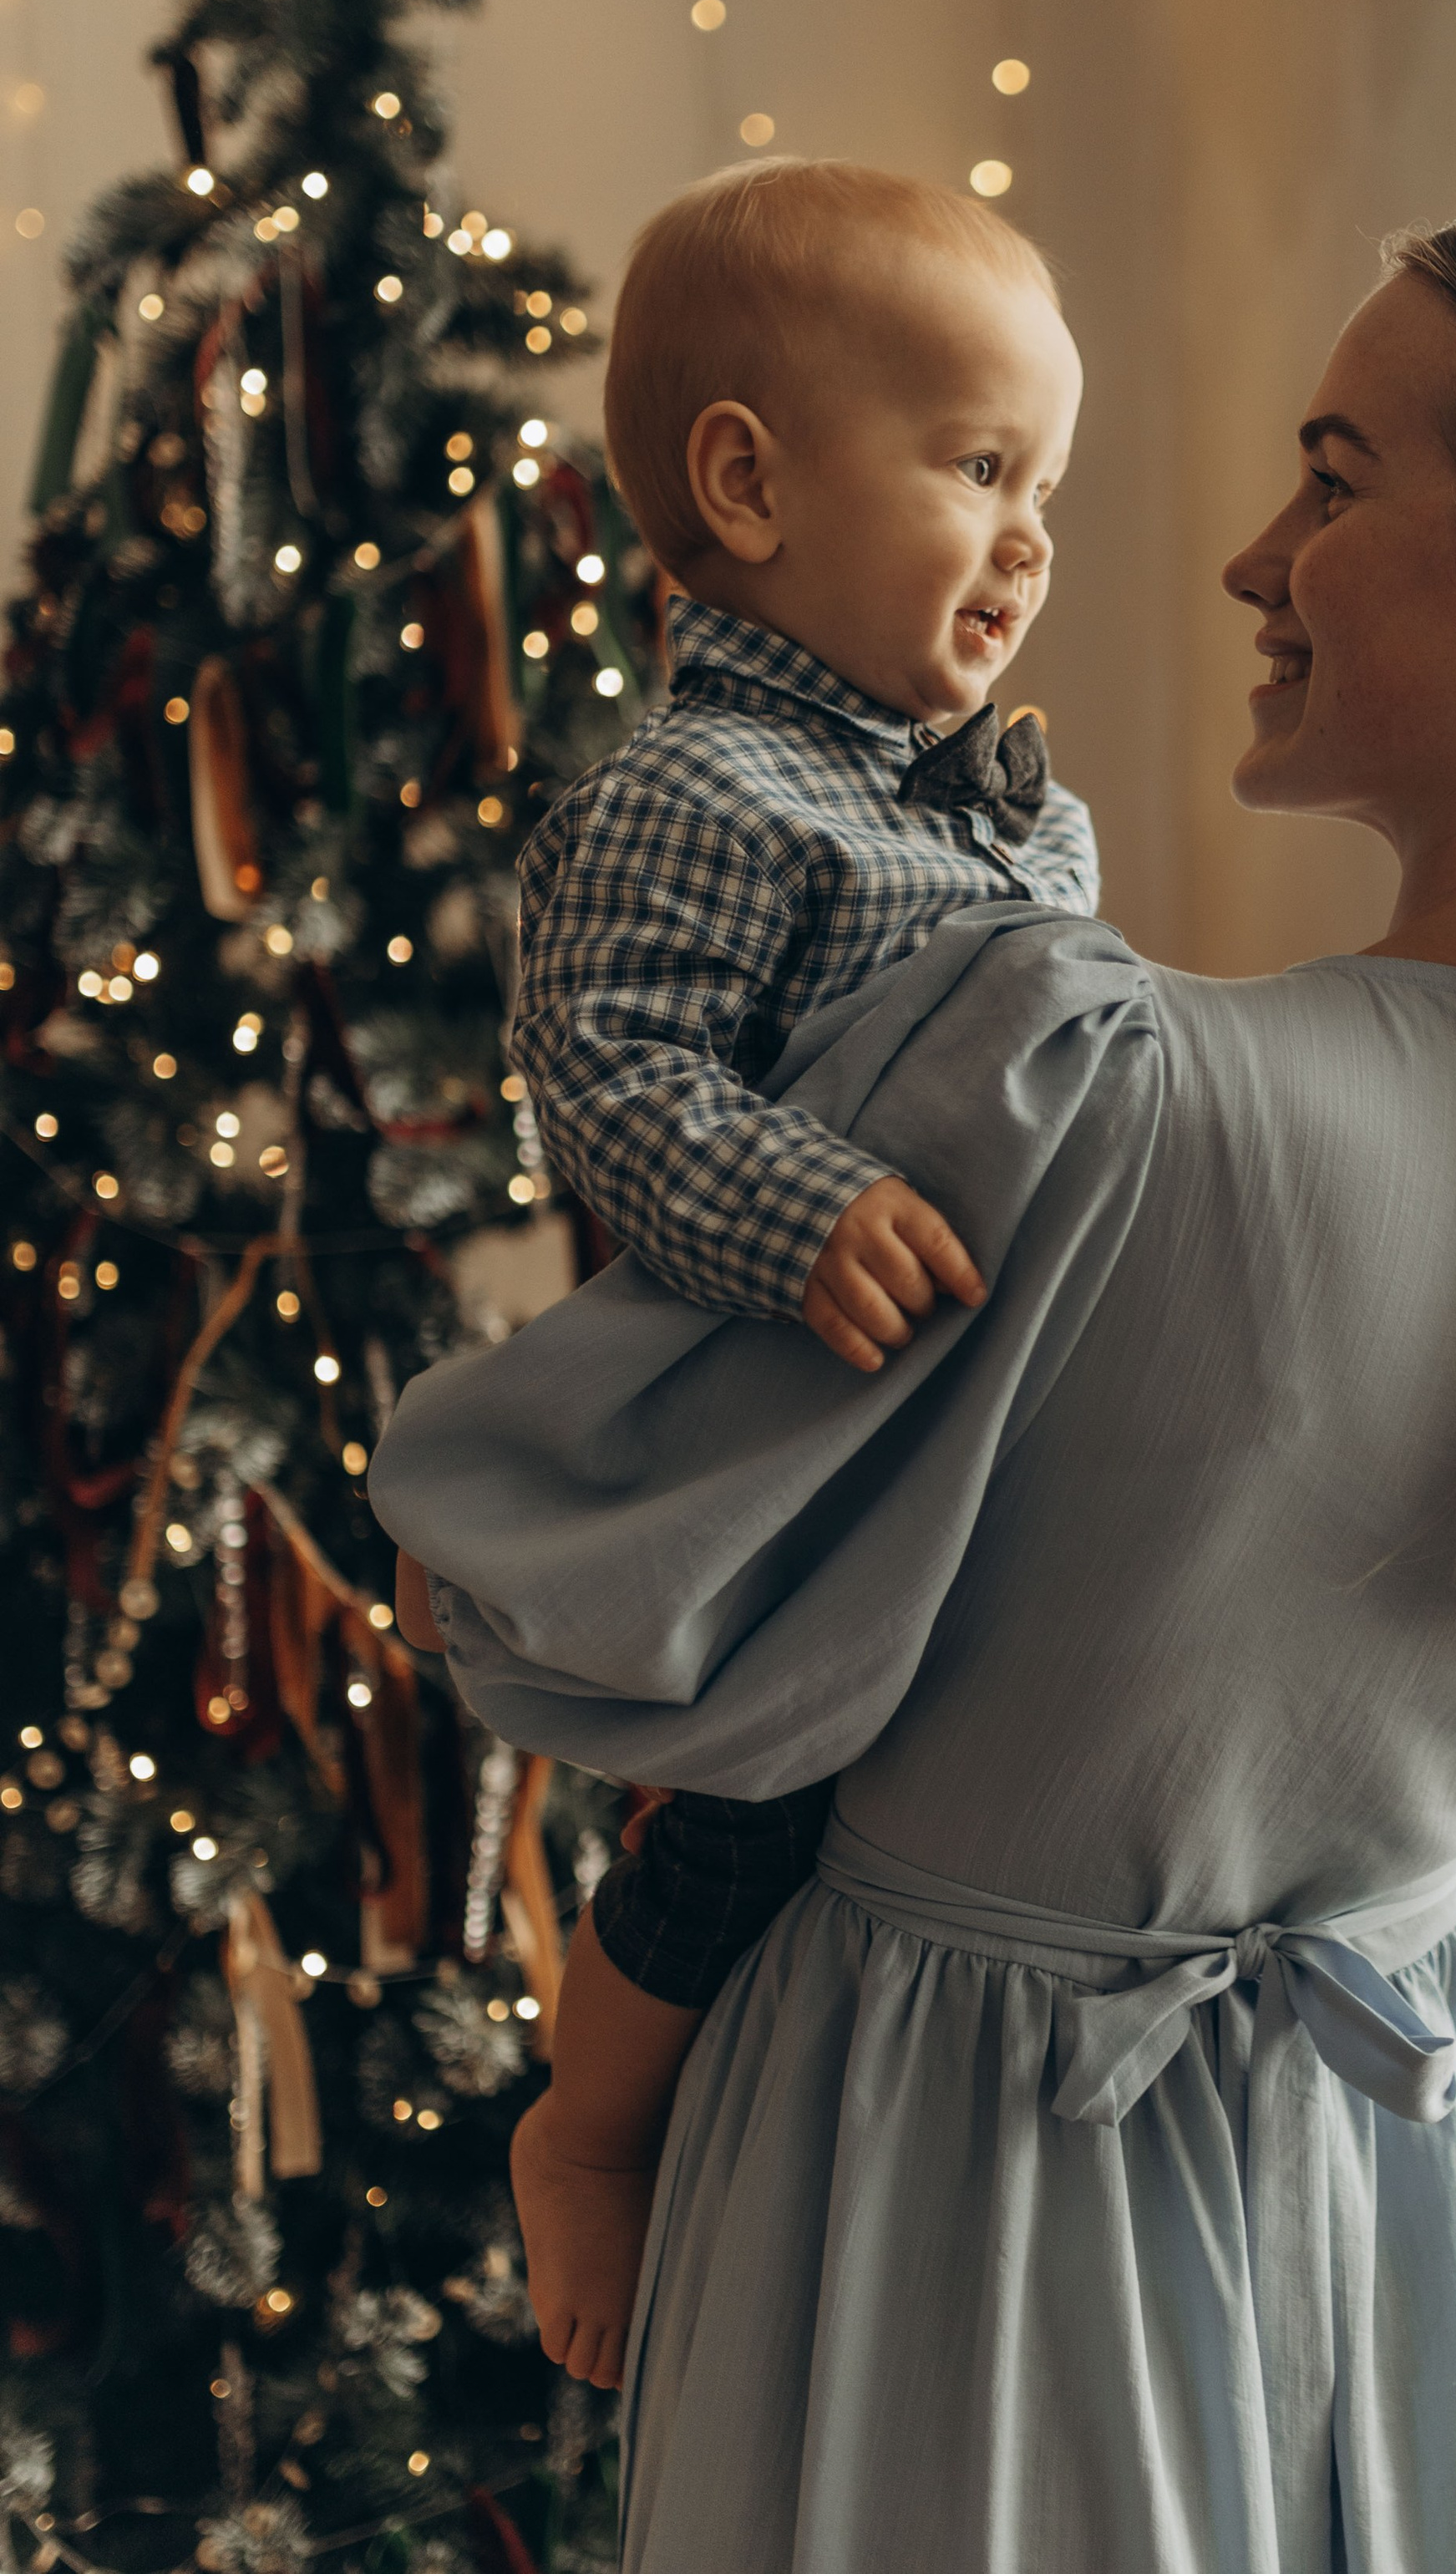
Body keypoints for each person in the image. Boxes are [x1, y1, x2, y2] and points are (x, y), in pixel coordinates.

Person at [379, 209, 1456, 2574]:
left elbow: (649, 1616)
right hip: (1427, 2167)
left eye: (1335, 477)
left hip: (971, 2189)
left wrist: (585, 2077)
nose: (1248, 555)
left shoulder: (1102, 1095)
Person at [417, 155, 1098, 2357]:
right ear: (748, 485)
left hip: (979, 1419)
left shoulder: (1007, 811)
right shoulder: (700, 794)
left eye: (1045, 488)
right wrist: (803, 1212)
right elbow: (605, 1071)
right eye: (979, 467)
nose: (1029, 537)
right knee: (748, 1808)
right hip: (787, 1425)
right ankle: (588, 2134)